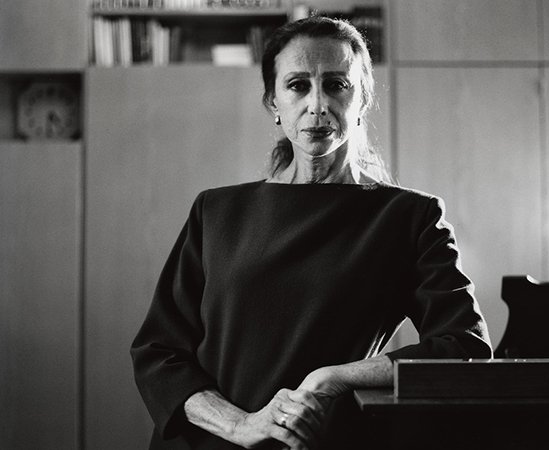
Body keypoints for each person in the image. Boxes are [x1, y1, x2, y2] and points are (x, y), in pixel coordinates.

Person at [131, 16, 492, 450]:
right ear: (273, 102)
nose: (317, 104)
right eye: (298, 85)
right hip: (206, 440)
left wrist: (334, 377)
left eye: (337, 85)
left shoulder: (410, 217)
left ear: (362, 99)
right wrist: (241, 426)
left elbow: (464, 346)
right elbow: (158, 352)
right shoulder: (215, 211)